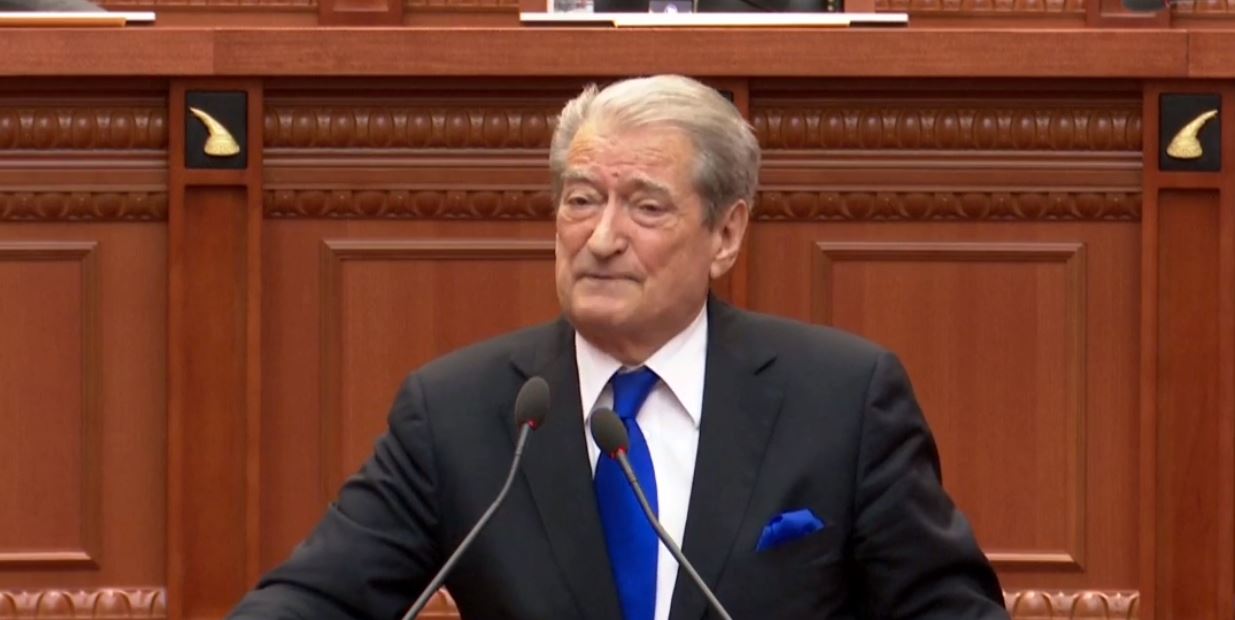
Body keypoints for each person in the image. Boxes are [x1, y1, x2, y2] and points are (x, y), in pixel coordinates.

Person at [228, 74, 1008, 620]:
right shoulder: (461, 410)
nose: (601, 238)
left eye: (645, 207)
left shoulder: (840, 398)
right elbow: (314, 600)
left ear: (725, 233)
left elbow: (946, 610)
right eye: (581, 201)